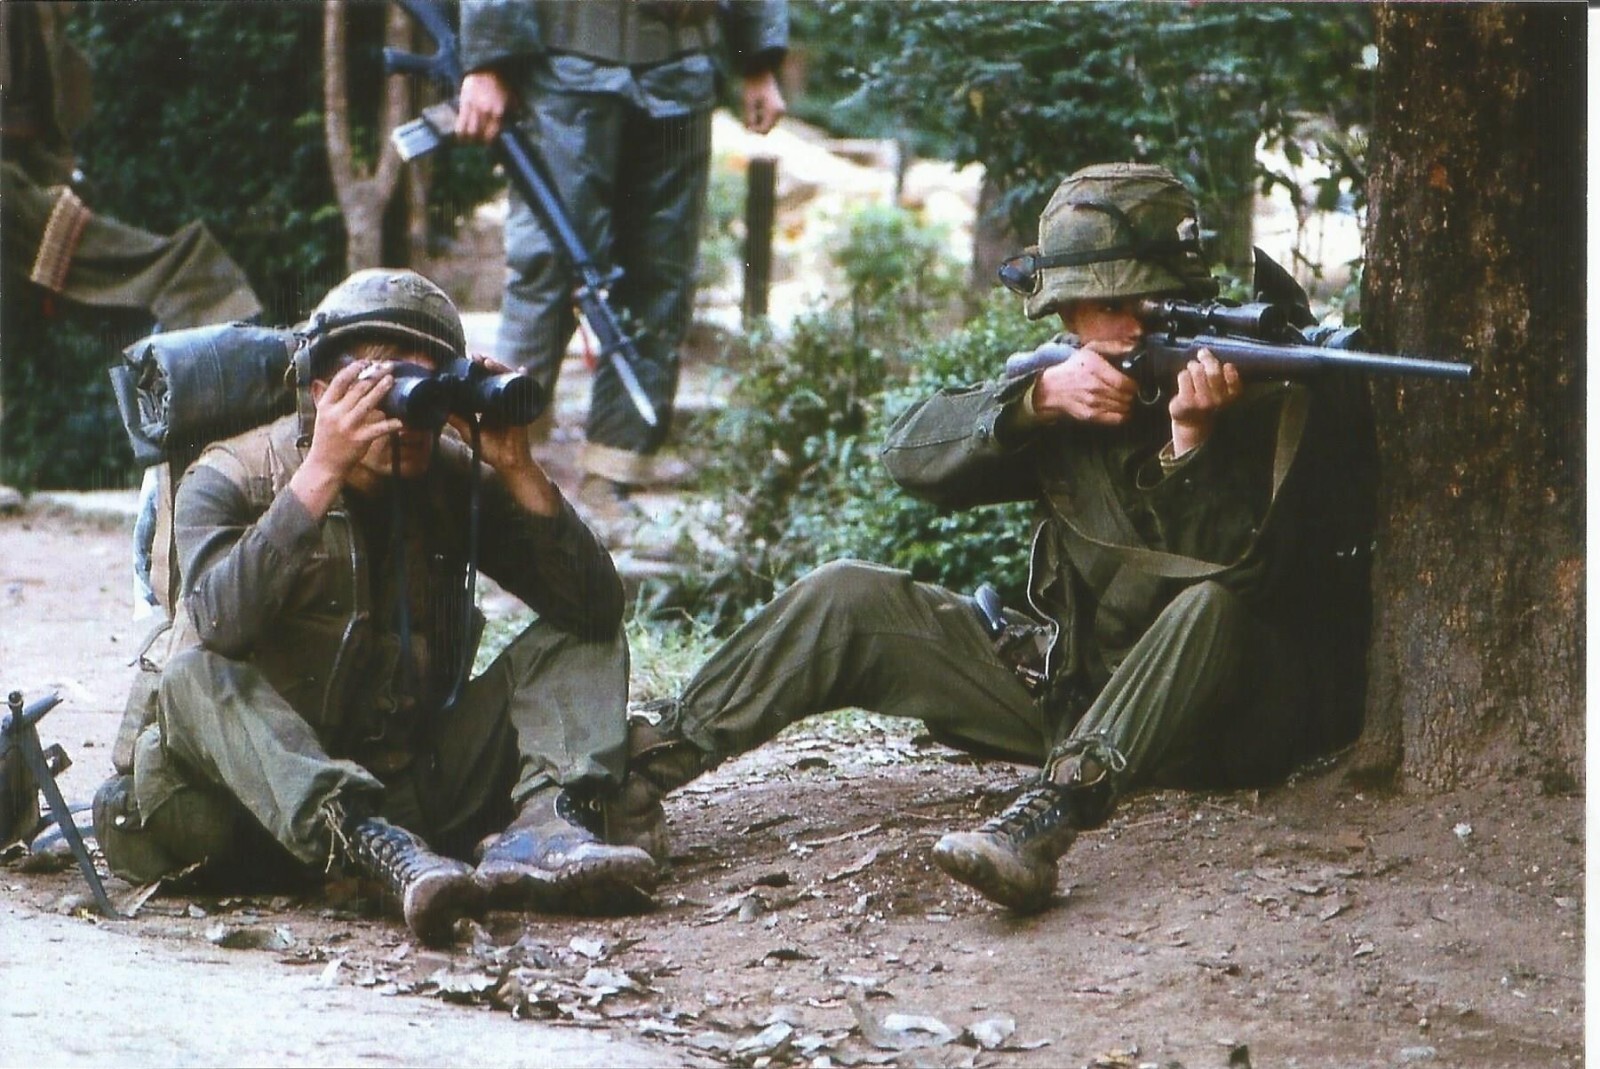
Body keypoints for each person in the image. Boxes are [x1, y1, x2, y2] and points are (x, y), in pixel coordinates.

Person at [599, 163, 1338, 914]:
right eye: (1102, 304)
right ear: (1067, 313)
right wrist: (1034, 403)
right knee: (846, 594)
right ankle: (639, 775)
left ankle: (1045, 819)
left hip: (1214, 718)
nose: (1128, 325)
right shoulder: (1066, 393)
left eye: (1143, 302)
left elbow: (1244, 587)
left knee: (1209, 606)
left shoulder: (1255, 396)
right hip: (1075, 698)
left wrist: (1191, 447)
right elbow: (908, 455)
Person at [93, 269, 657, 945]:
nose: (408, 418)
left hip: (402, 798)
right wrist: (321, 473)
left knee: (581, 634)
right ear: (326, 394)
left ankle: (542, 833)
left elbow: (593, 611)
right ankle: (368, 843)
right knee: (191, 674)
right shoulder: (231, 474)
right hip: (233, 807)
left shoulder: (444, 476)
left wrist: (517, 467)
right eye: (387, 390)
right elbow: (218, 623)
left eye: (429, 390)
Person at [452, 0, 789, 528]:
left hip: (682, 66)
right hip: (569, 62)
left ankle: (612, 479)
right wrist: (489, 59)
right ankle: (501, 468)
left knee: (661, 276)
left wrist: (758, 60)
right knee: (551, 265)